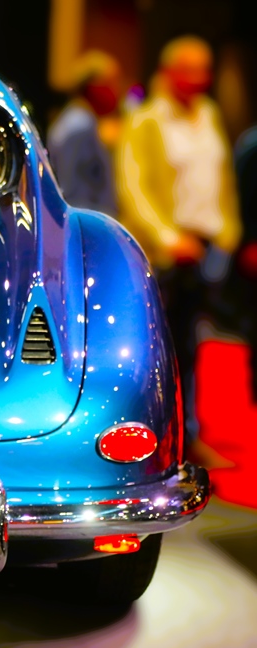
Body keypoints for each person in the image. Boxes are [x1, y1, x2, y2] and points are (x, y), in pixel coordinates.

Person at [116, 35, 242, 459]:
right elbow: (134, 188)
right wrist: (169, 237)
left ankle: (188, 436)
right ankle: (155, 438)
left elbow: (221, 177)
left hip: (207, 246)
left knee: (193, 347)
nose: (201, 78)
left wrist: (228, 231)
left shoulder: (208, 114)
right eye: (191, 69)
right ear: (170, 72)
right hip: (169, 251)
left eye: (205, 69)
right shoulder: (147, 119)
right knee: (159, 350)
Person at [47, 50, 121, 216]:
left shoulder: (83, 120)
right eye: (110, 83)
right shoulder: (79, 126)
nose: (117, 90)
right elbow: (70, 191)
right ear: (93, 86)